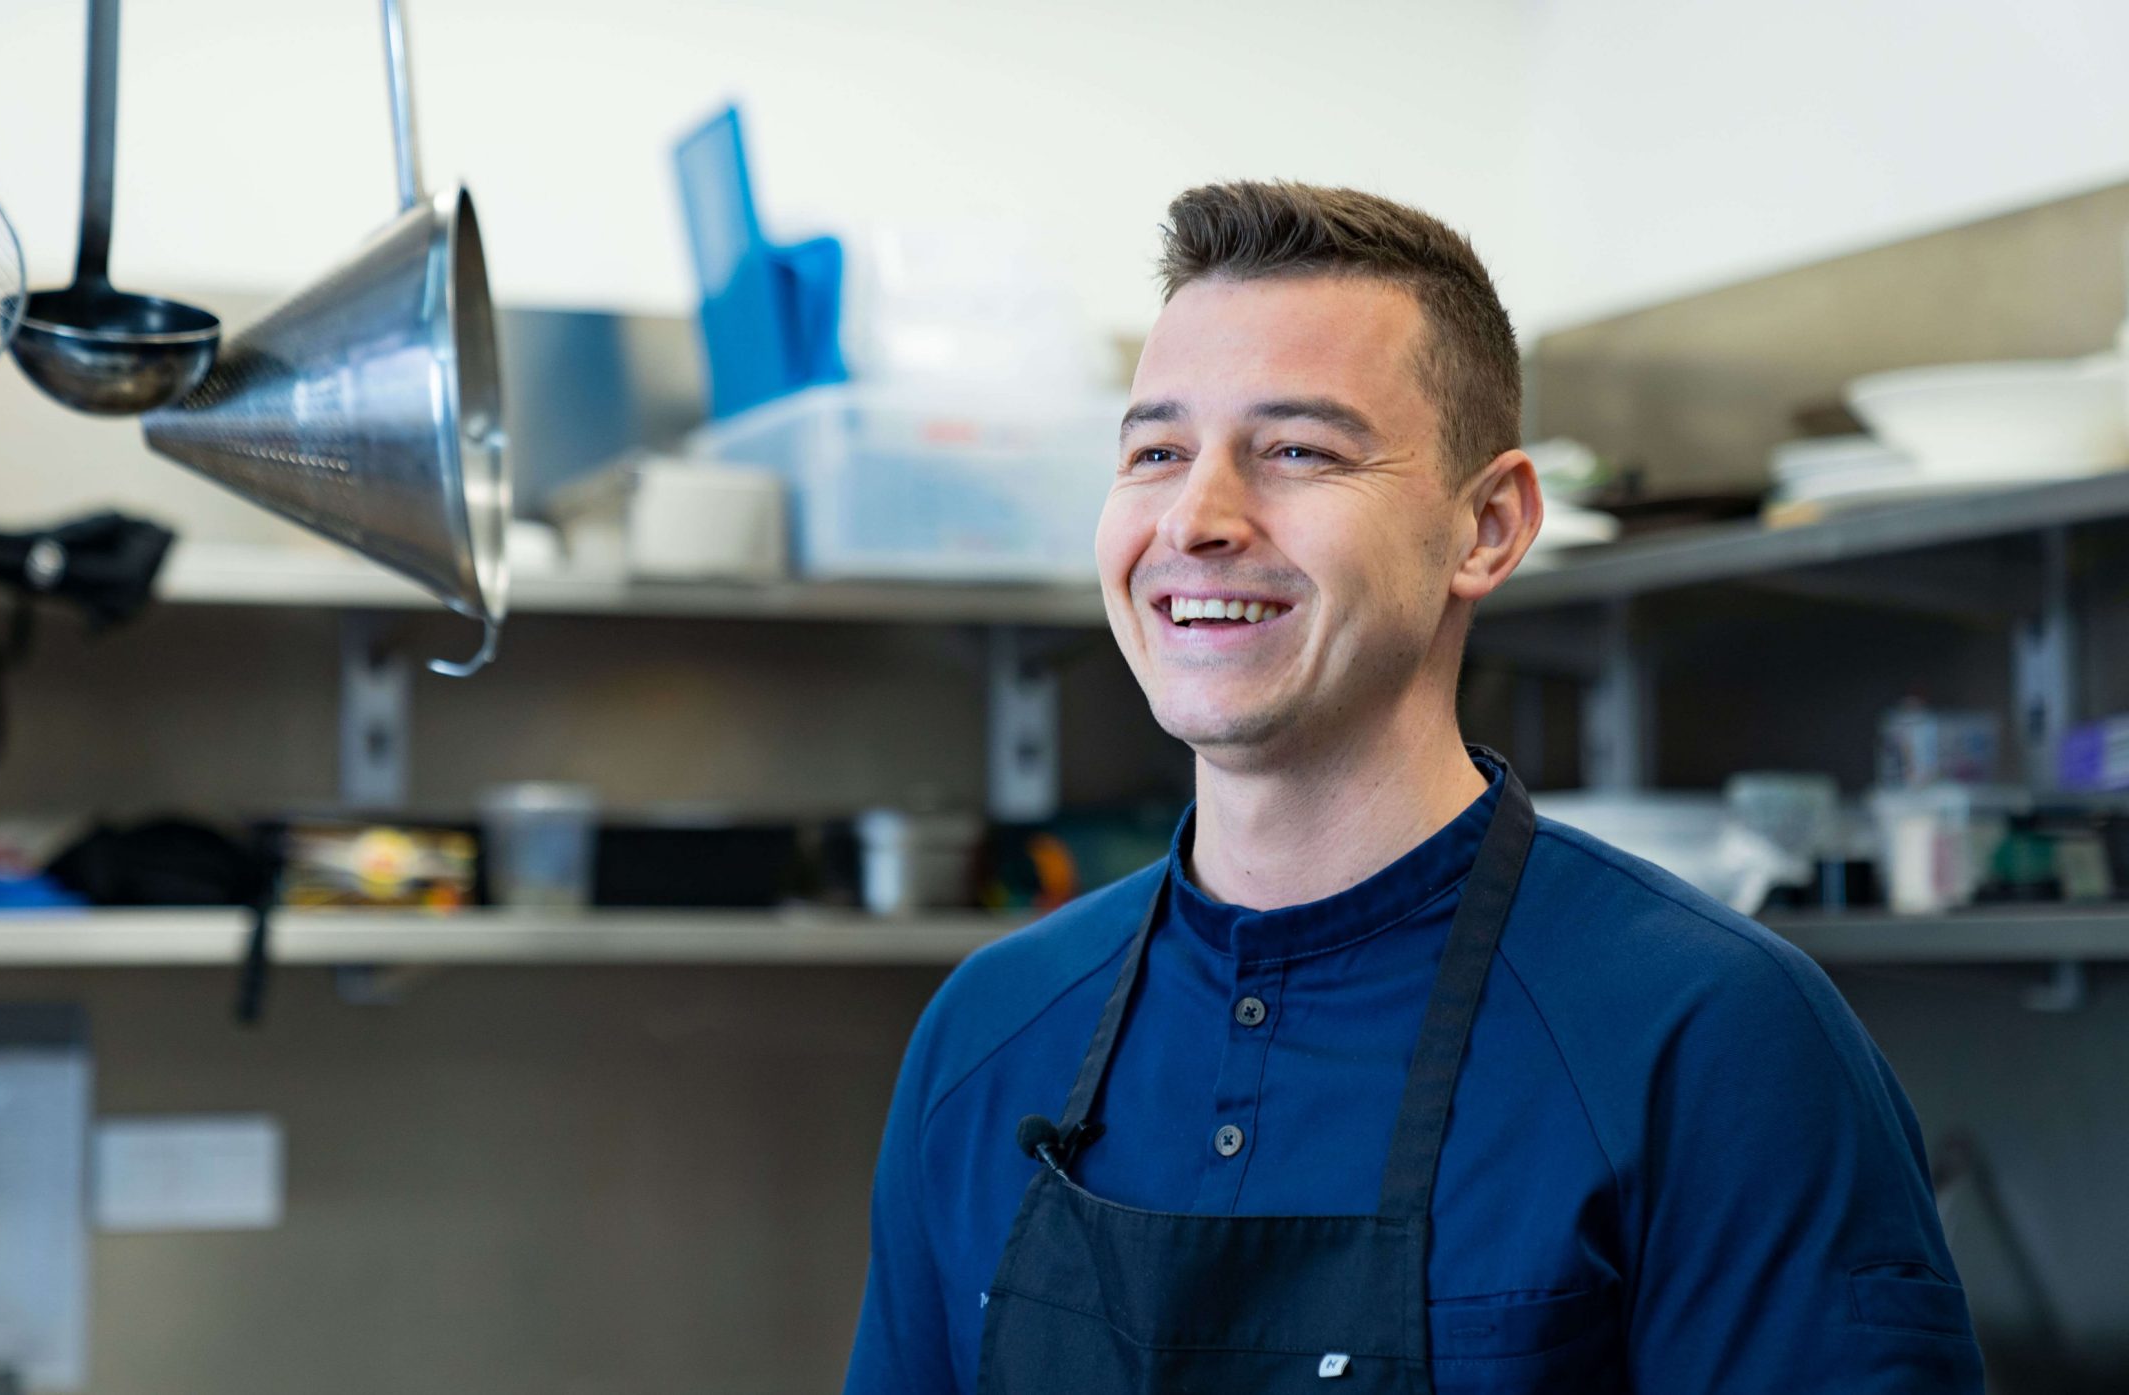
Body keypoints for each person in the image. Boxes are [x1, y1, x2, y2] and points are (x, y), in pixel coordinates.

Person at [841, 182, 1984, 1395]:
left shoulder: (1713, 1041)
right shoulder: (987, 1032)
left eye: (1295, 451)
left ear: (1486, 527)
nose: (1198, 517)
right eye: (1156, 452)